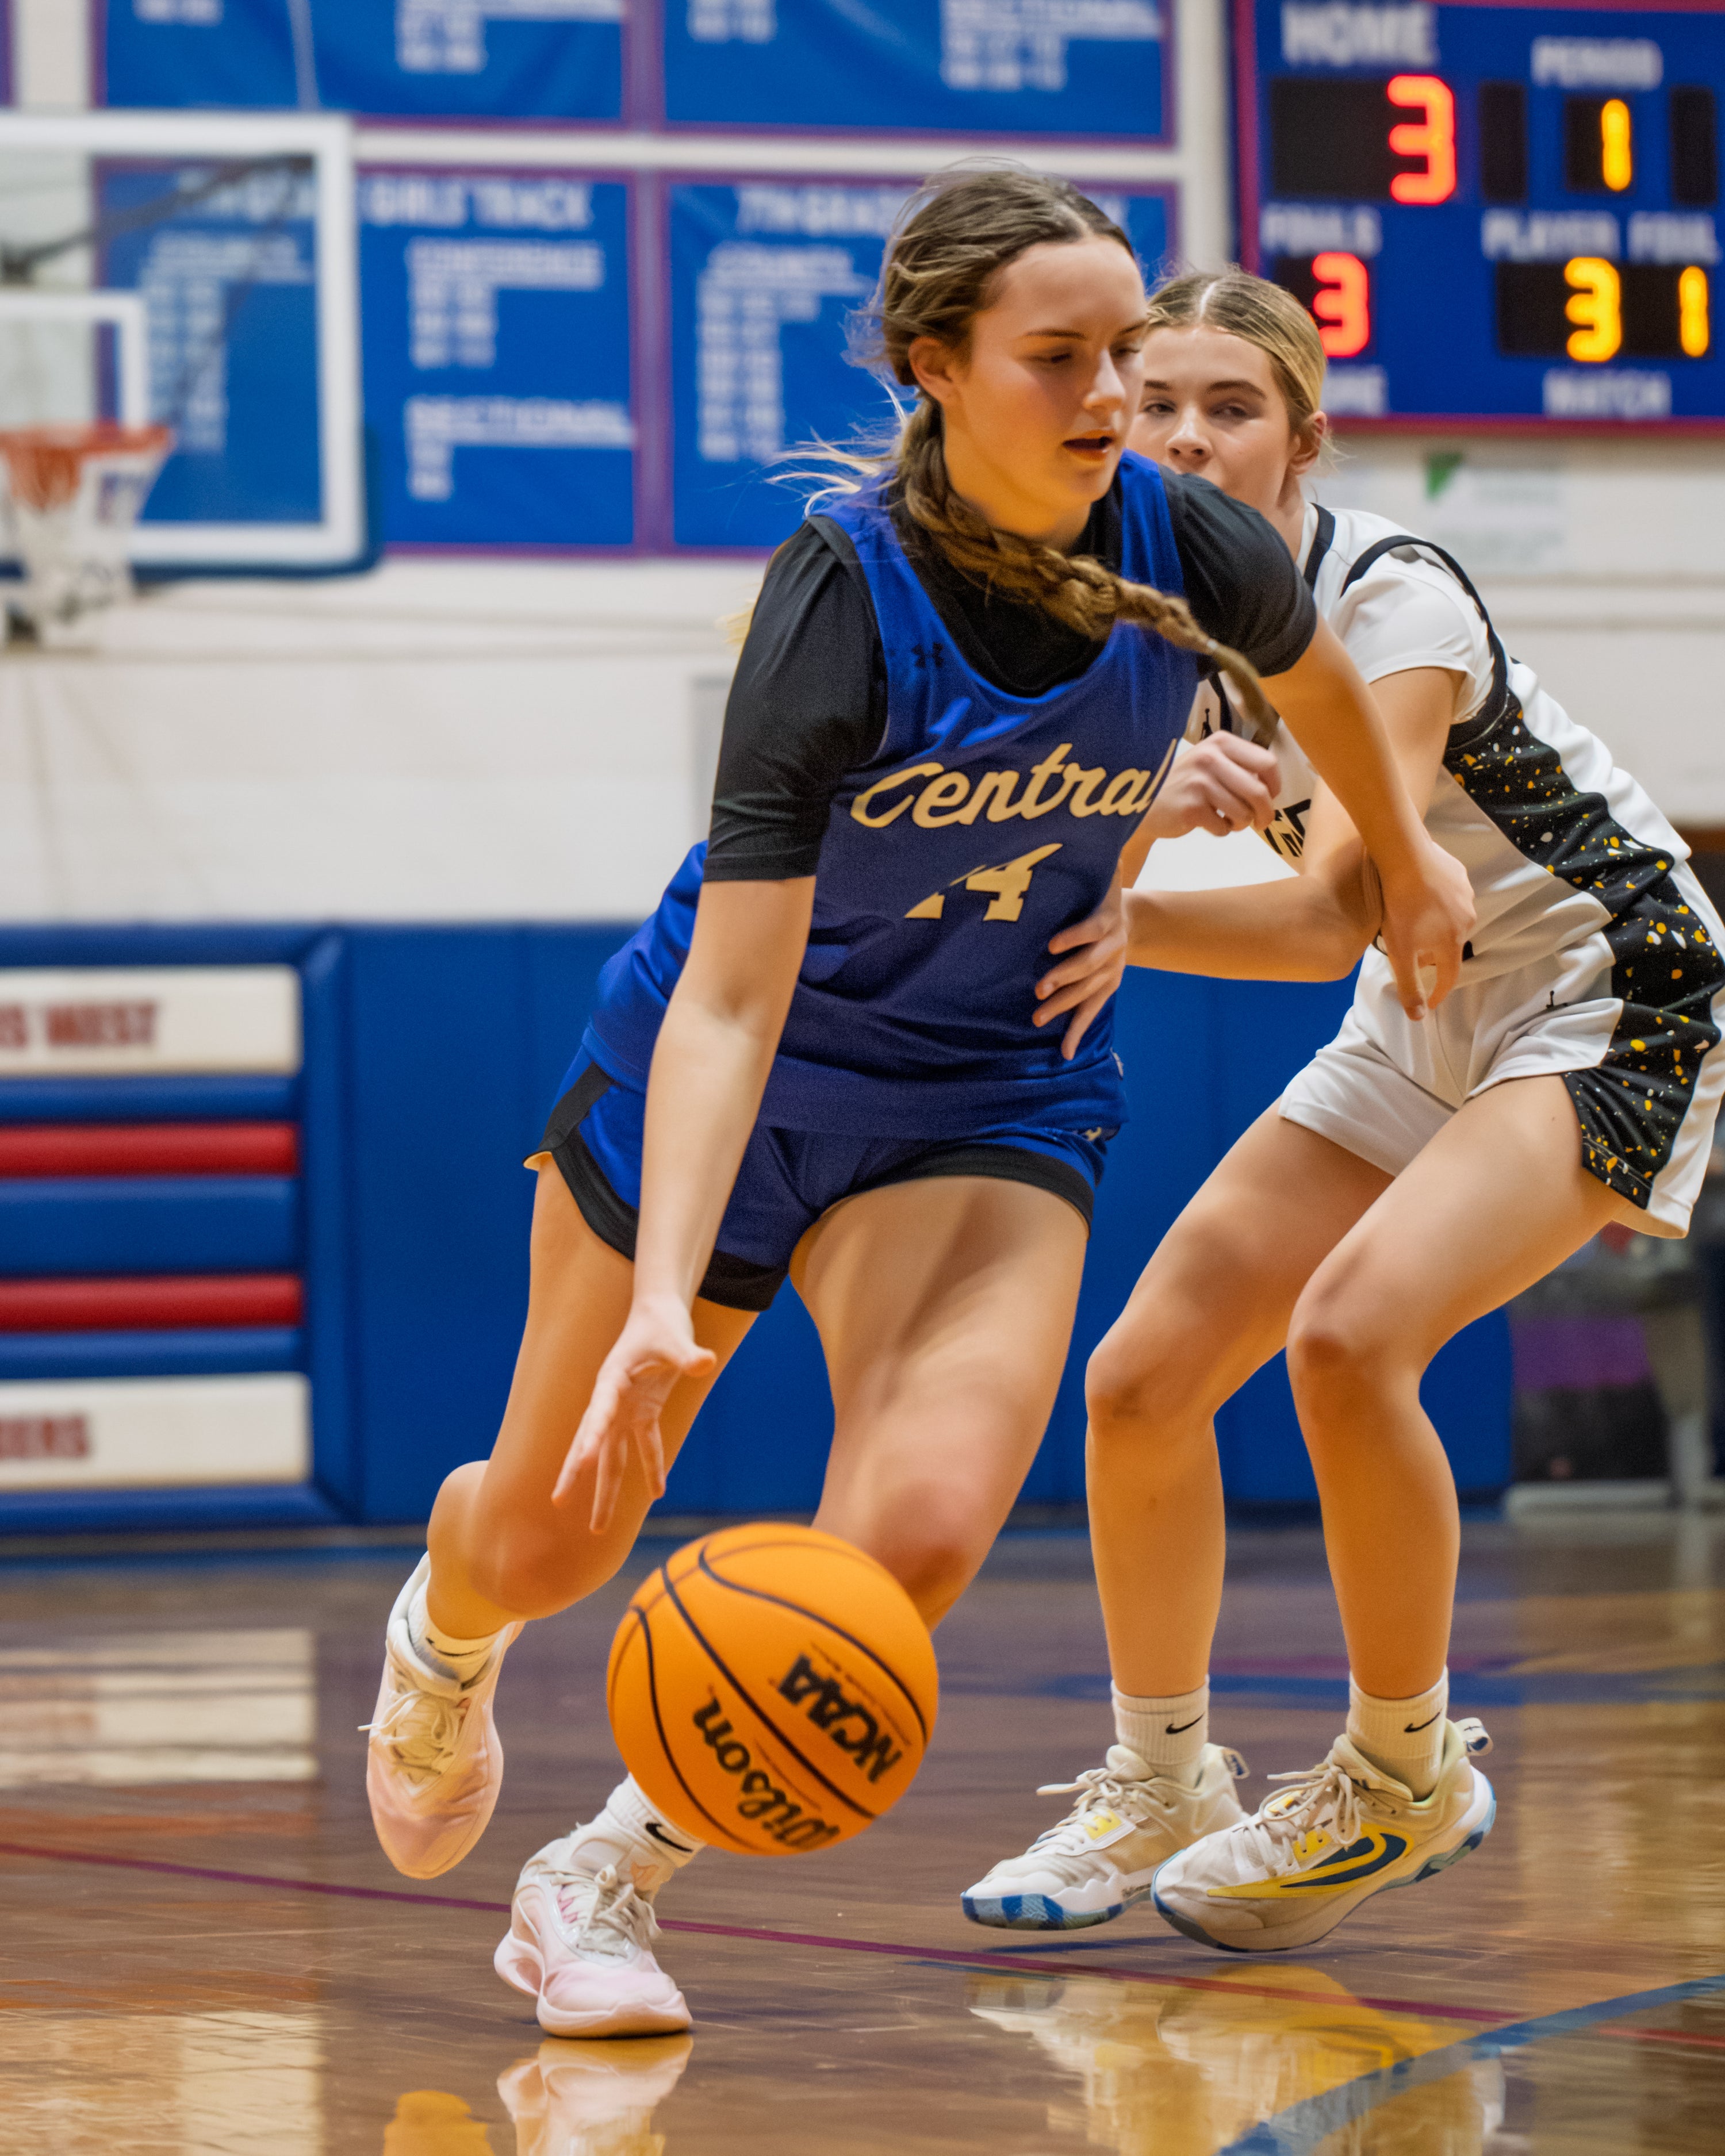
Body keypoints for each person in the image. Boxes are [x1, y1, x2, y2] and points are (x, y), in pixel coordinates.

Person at [363, 175, 1469, 2038]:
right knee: (550, 1538)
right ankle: (443, 1637)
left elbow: (1321, 679)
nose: (1112, 396)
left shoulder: (1191, 540)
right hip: (735, 1082)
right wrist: (667, 1301)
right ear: (936, 367)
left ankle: (602, 1877)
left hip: (986, 1092)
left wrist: (1412, 861)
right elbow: (731, 996)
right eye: (1062, 357)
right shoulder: (840, 599)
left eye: (1125, 352)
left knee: (927, 1529)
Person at [963, 267, 1725, 1954]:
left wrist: (1119, 913)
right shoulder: (1141, 628)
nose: (1185, 436)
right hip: (1424, 1005)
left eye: (1230, 407)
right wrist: (1133, 821)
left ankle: (1401, 1775)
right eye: (1157, 405)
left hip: (1607, 983)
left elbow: (1326, 918)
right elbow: (1075, 835)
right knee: (1143, 1379)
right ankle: (1163, 1778)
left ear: (1301, 440)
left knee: (1349, 1337)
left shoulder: (1388, 600)